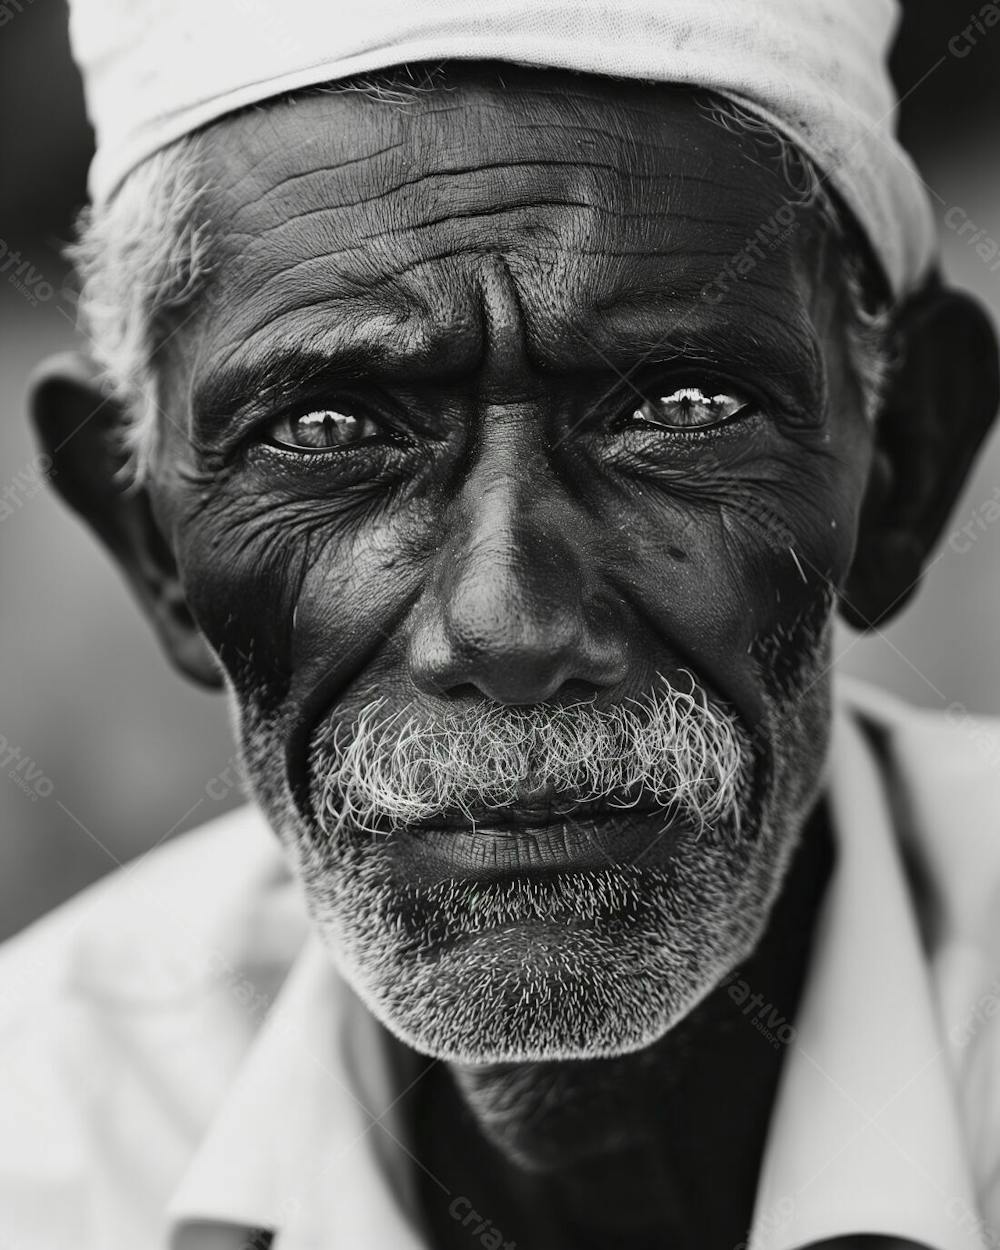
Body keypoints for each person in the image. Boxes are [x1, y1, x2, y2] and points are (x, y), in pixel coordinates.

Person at [4, 1, 1000, 1247]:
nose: (509, 628)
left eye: (684, 407)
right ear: (150, 539)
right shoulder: (42, 1150)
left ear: (901, 464)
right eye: (329, 432)